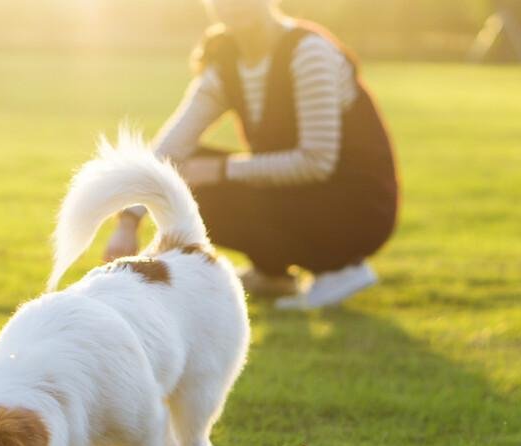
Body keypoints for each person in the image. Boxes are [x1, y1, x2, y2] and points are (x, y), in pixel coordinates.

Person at [105, 0, 399, 310]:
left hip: (357, 206)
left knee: (202, 182)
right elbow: (171, 148)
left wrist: (220, 170)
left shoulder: (309, 52)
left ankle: (339, 268)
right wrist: (129, 220)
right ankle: (273, 274)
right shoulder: (227, 62)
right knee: (182, 174)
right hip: (302, 194)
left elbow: (316, 161)